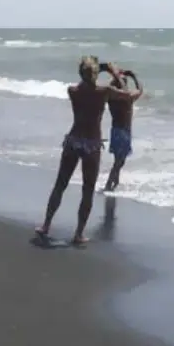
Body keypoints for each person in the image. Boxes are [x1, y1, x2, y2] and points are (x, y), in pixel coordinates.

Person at [35, 56, 142, 245]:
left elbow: (84, 84)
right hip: (92, 144)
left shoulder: (73, 91)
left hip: (74, 140)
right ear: (95, 74)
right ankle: (78, 234)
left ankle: (46, 225)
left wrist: (98, 70)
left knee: (60, 184)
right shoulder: (104, 92)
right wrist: (115, 73)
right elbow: (128, 96)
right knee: (87, 190)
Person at [104, 70, 142, 192]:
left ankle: (115, 181)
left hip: (115, 130)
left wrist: (117, 77)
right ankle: (109, 184)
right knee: (120, 161)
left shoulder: (111, 98)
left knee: (119, 160)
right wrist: (134, 76)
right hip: (124, 132)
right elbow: (140, 90)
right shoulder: (128, 98)